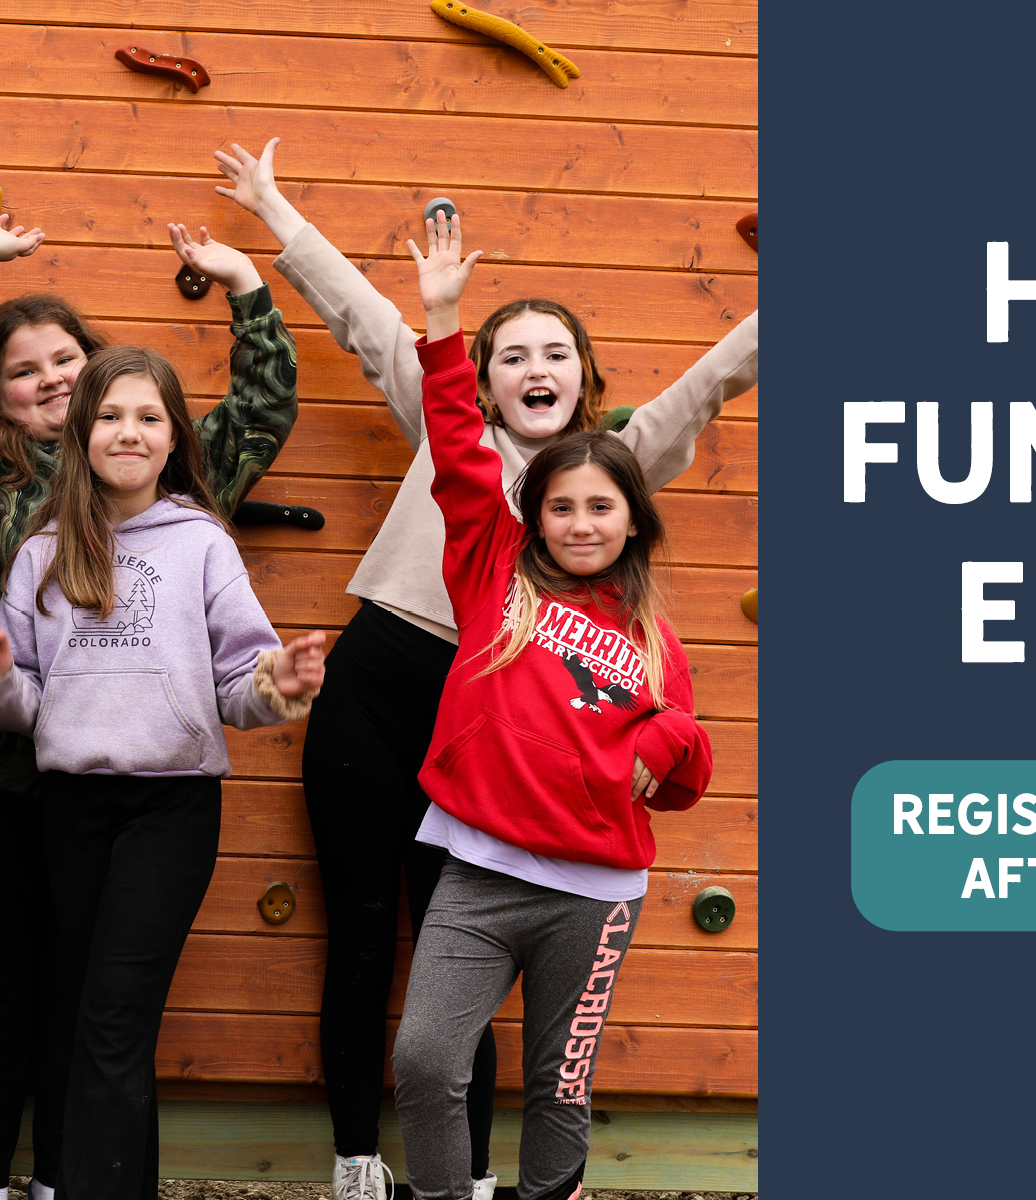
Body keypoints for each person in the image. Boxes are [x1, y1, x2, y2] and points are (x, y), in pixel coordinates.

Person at [211, 137, 757, 1200]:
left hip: (509, 722)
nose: (532, 369)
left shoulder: (610, 470)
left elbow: (711, 378)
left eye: (552, 352)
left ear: (583, 381)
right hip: (383, 684)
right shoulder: (444, 433)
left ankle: (459, 1179)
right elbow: (369, 323)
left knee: (459, 944)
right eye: (509, 354)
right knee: (362, 928)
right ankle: (355, 1157)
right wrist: (276, 213)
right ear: (480, 377)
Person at [0, 216, 299, 1200]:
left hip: (126, 780)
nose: (50, 378)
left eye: (68, 357)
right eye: (23, 369)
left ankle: (73, 1179)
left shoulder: (168, 485)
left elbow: (258, 410)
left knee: (92, 1002)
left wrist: (246, 292)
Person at [392, 215, 711, 1200]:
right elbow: (454, 439)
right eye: (561, 506)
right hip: (480, 875)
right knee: (423, 1063)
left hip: (594, 891)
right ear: (535, 515)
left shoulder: (651, 630)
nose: (579, 522)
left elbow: (687, 763)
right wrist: (442, 322)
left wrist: (664, 733)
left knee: (558, 1089)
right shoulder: (491, 566)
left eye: (600, 507)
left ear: (631, 519)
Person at [0, 345, 326, 1200]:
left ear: (173, 441)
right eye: (112, 415)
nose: (129, 431)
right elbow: (24, 706)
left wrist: (283, 687)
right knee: (87, 1016)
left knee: (115, 1019)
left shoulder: (202, 543)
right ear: (80, 434)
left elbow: (244, 682)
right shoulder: (41, 554)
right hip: (70, 808)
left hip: (171, 809)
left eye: (149, 417)